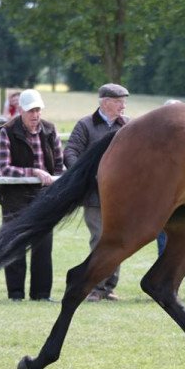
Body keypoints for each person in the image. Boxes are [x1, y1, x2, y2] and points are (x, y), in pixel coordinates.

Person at [0, 89, 63, 301]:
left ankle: (41, 295)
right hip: (15, 197)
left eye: (38, 110)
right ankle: (15, 294)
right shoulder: (7, 131)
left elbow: (60, 166)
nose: (36, 115)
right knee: (15, 246)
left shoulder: (51, 130)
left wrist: (55, 179)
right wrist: (33, 172)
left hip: (44, 196)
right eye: (31, 111)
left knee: (43, 246)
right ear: (21, 111)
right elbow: (4, 169)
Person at [64, 83, 130, 302]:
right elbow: (71, 151)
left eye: (124, 101)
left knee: (118, 240)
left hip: (120, 197)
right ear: (105, 102)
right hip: (93, 196)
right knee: (100, 239)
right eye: (119, 101)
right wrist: (84, 175)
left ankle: (109, 287)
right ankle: (95, 287)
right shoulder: (86, 125)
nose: (123, 105)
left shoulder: (128, 126)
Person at [156, 99, 185, 298]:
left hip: (180, 203)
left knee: (182, 248)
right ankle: (169, 287)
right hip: (163, 205)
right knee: (166, 248)